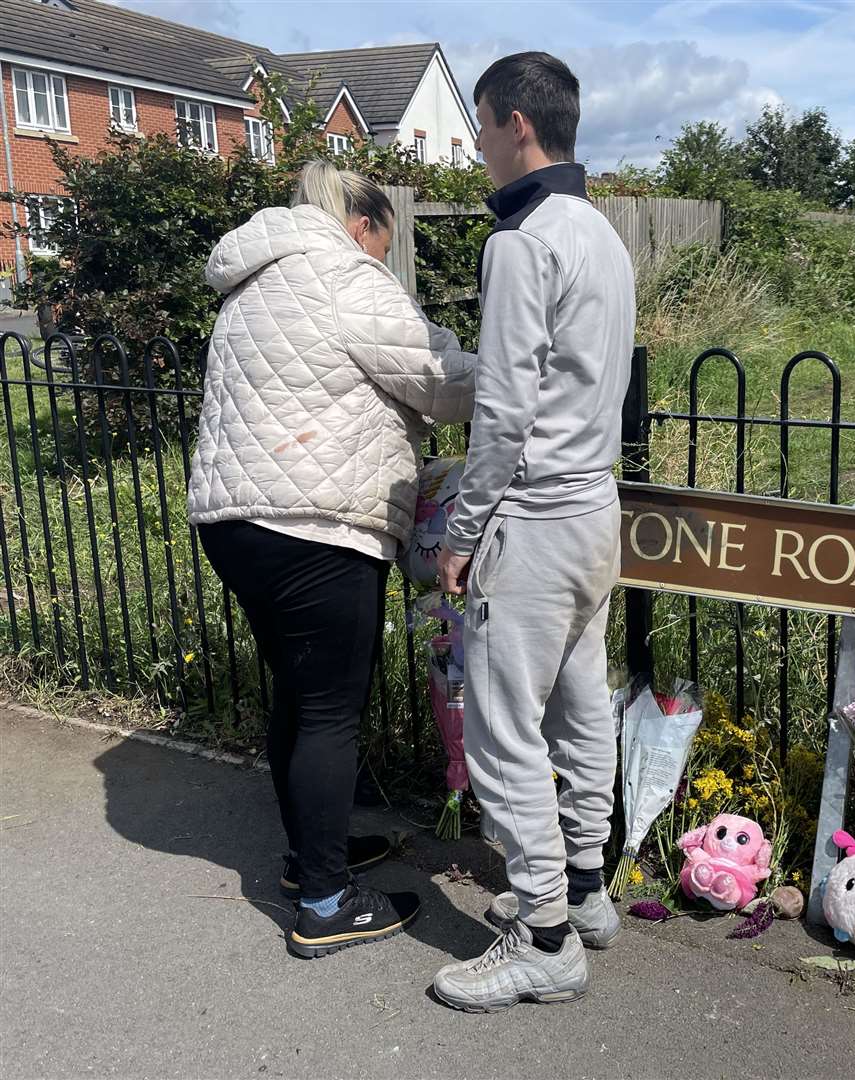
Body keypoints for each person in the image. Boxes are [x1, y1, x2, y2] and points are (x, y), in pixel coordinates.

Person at [187, 161, 475, 959]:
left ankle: (309, 860)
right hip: (312, 524)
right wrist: (519, 381)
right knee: (327, 712)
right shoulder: (345, 276)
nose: (385, 260)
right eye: (384, 245)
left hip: (234, 520)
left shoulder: (255, 281)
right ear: (362, 227)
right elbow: (441, 381)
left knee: (300, 695)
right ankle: (322, 902)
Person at [431, 52, 635, 1012]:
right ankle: (588, 890)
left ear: (515, 123)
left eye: (478, 127)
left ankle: (545, 938)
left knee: (505, 731)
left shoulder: (521, 241)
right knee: (583, 704)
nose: (476, 148)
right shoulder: (601, 231)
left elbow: (502, 411)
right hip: (596, 508)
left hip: (535, 518)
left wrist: (463, 529)